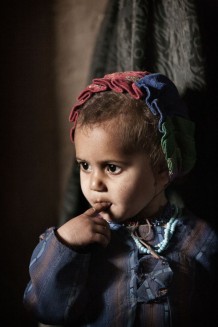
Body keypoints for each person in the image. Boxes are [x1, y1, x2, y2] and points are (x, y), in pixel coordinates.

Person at [23, 71, 218, 326]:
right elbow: (45, 310)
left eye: (112, 168)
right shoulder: (78, 243)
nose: (94, 184)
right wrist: (65, 246)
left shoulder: (199, 240)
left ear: (162, 170)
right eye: (84, 165)